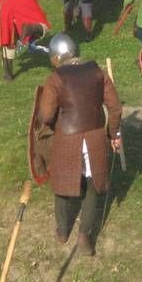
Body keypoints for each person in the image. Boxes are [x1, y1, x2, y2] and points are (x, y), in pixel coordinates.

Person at [36, 33, 122, 257]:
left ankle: (63, 231)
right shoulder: (97, 72)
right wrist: (113, 134)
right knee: (93, 183)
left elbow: (45, 115)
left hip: (68, 139)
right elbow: (115, 108)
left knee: (63, 183)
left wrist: (56, 126)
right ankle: (85, 235)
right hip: (94, 138)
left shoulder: (55, 78)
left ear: (56, 57)